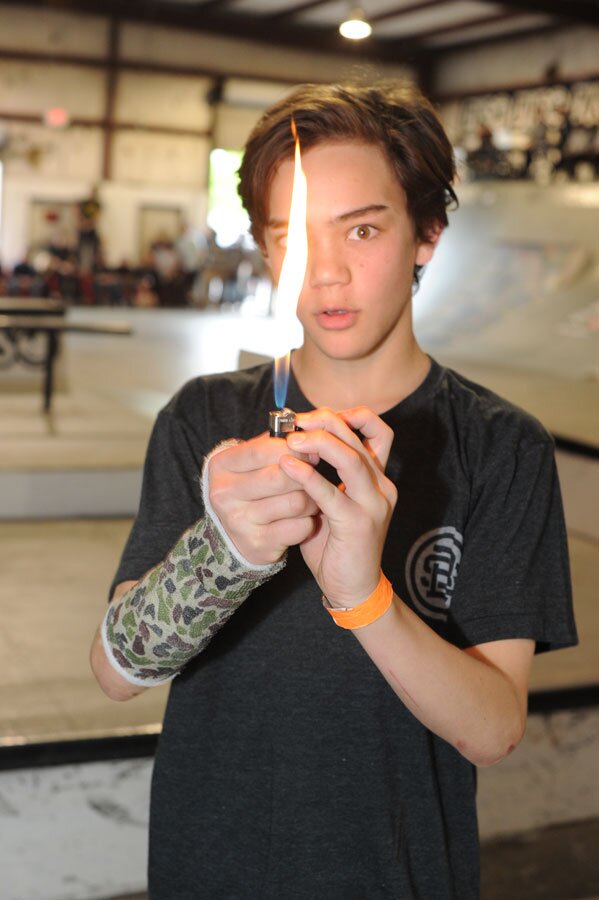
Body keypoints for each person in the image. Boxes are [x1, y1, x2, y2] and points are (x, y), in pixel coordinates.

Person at [90, 81, 576, 899]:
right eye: (291, 237)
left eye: (361, 229)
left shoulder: (498, 446)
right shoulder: (205, 420)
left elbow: (493, 730)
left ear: (426, 234)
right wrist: (224, 554)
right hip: (209, 871)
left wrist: (363, 596)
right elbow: (117, 673)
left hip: (396, 874)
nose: (326, 274)